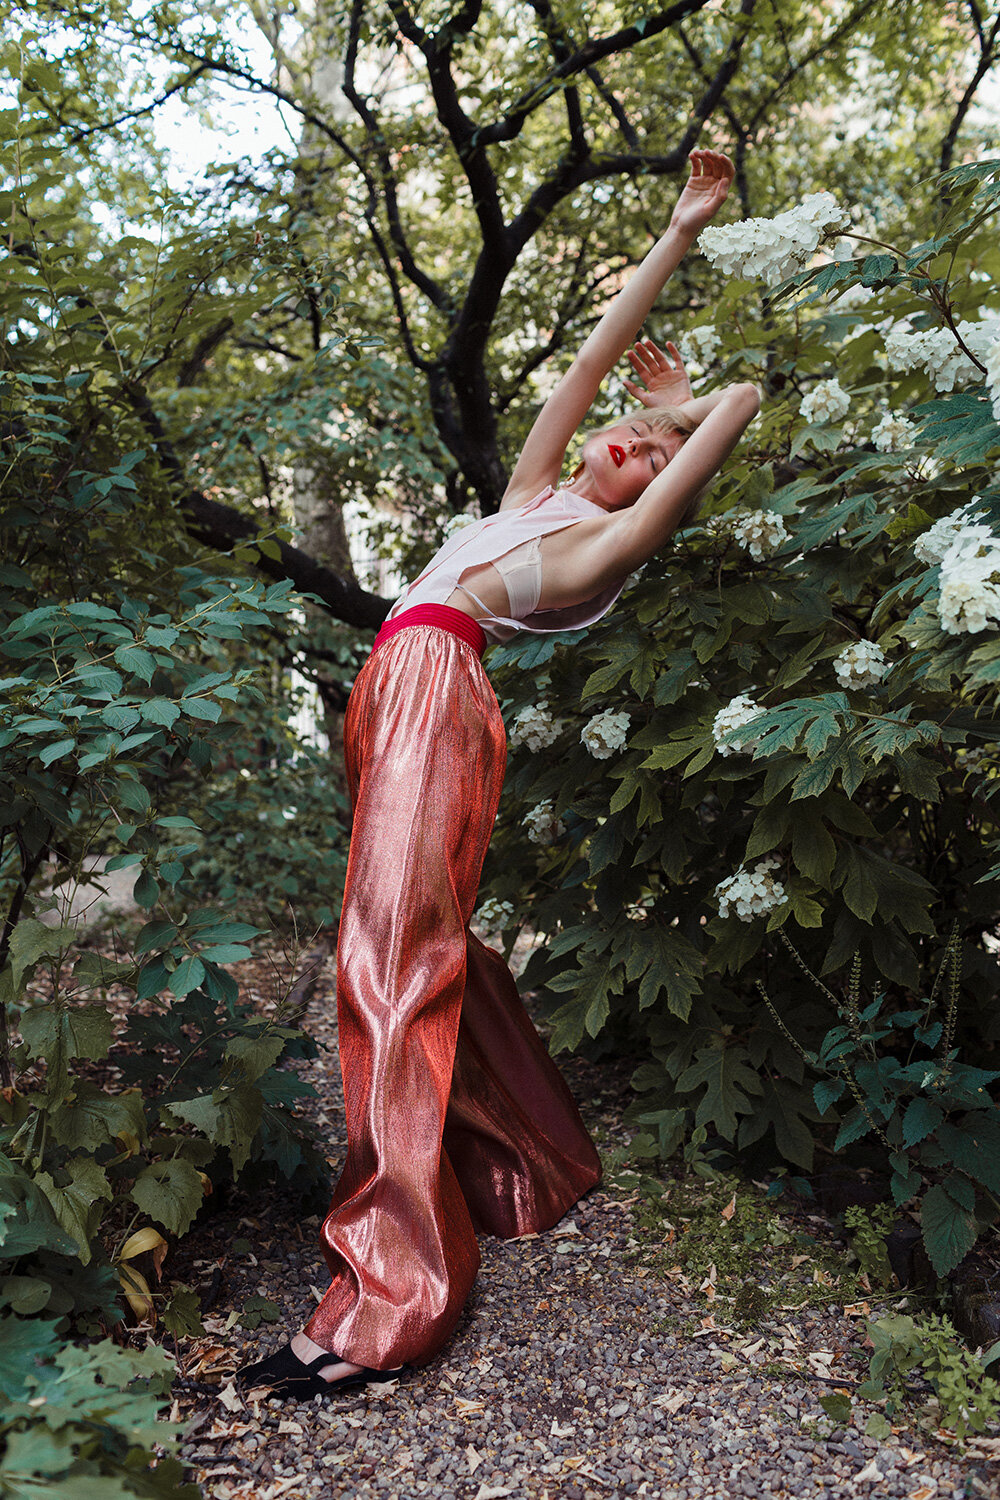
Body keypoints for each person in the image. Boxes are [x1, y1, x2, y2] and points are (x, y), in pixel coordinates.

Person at [239, 148, 760, 1401]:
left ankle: (389, 1298)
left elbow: (743, 397)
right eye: (636, 431)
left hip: (437, 689)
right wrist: (678, 233)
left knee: (385, 960)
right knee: (425, 947)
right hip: (390, 686)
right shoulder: (530, 495)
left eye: (656, 450)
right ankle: (522, 1161)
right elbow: (588, 363)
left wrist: (691, 407)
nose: (635, 441)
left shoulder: (598, 549)